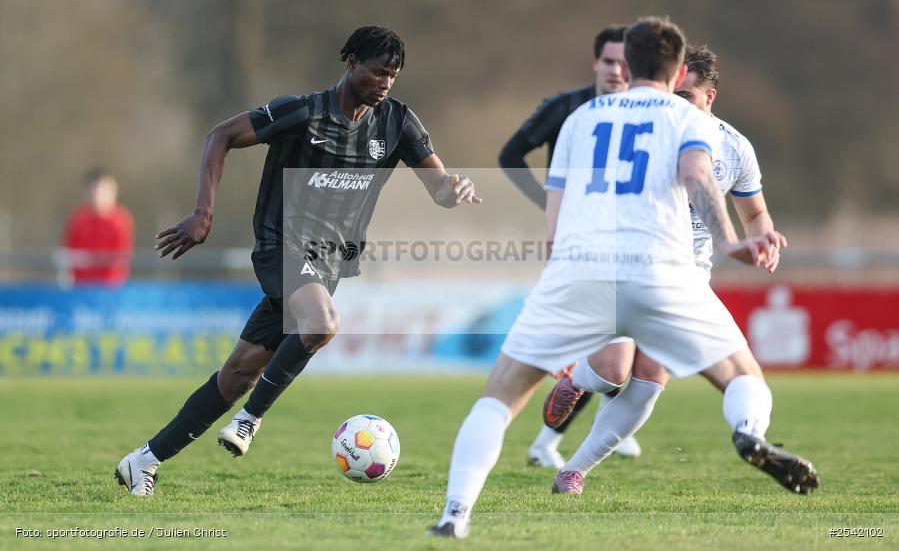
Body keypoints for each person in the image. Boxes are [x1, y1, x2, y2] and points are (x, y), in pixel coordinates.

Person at [428, 17, 817, 539]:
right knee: (742, 375)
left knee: (499, 397)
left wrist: (558, 262)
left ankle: (455, 516)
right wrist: (729, 243)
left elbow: (556, 205)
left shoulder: (581, 118)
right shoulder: (688, 120)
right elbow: (698, 176)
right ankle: (748, 434)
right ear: (677, 71)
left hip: (582, 269)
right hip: (663, 269)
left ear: (625, 66)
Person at [115, 26, 480, 496]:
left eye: (393, 74)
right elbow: (220, 136)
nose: (386, 82)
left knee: (238, 374)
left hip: (327, 264)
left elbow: (440, 190)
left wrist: (456, 188)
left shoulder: (398, 123)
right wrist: (203, 213)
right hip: (279, 246)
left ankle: (142, 461)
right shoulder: (301, 112)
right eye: (377, 71)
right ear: (350, 62)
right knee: (323, 322)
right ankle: (249, 421)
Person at [536, 43, 781, 465]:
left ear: (710, 97)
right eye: (673, 92)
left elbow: (755, 211)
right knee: (614, 370)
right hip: (629, 264)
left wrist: (764, 235)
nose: (675, 104)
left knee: (651, 376)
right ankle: (577, 376)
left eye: (685, 96)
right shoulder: (644, 135)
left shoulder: (734, 148)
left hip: (687, 277)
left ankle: (573, 471)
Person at [498, 25, 642, 466]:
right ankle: (548, 440)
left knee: (618, 344)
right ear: (595, 62)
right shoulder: (565, 108)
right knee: (599, 345)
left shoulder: (644, 114)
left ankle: (586, 427)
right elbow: (510, 155)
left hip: (625, 243)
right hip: (576, 245)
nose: (618, 70)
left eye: (626, 62)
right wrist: (550, 206)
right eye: (611, 60)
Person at [62, 168, 134, 286]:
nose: (97, 195)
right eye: (93, 190)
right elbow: (69, 254)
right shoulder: (77, 219)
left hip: (110, 286)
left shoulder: (121, 219)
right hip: (82, 286)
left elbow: (123, 257)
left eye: (102, 190)